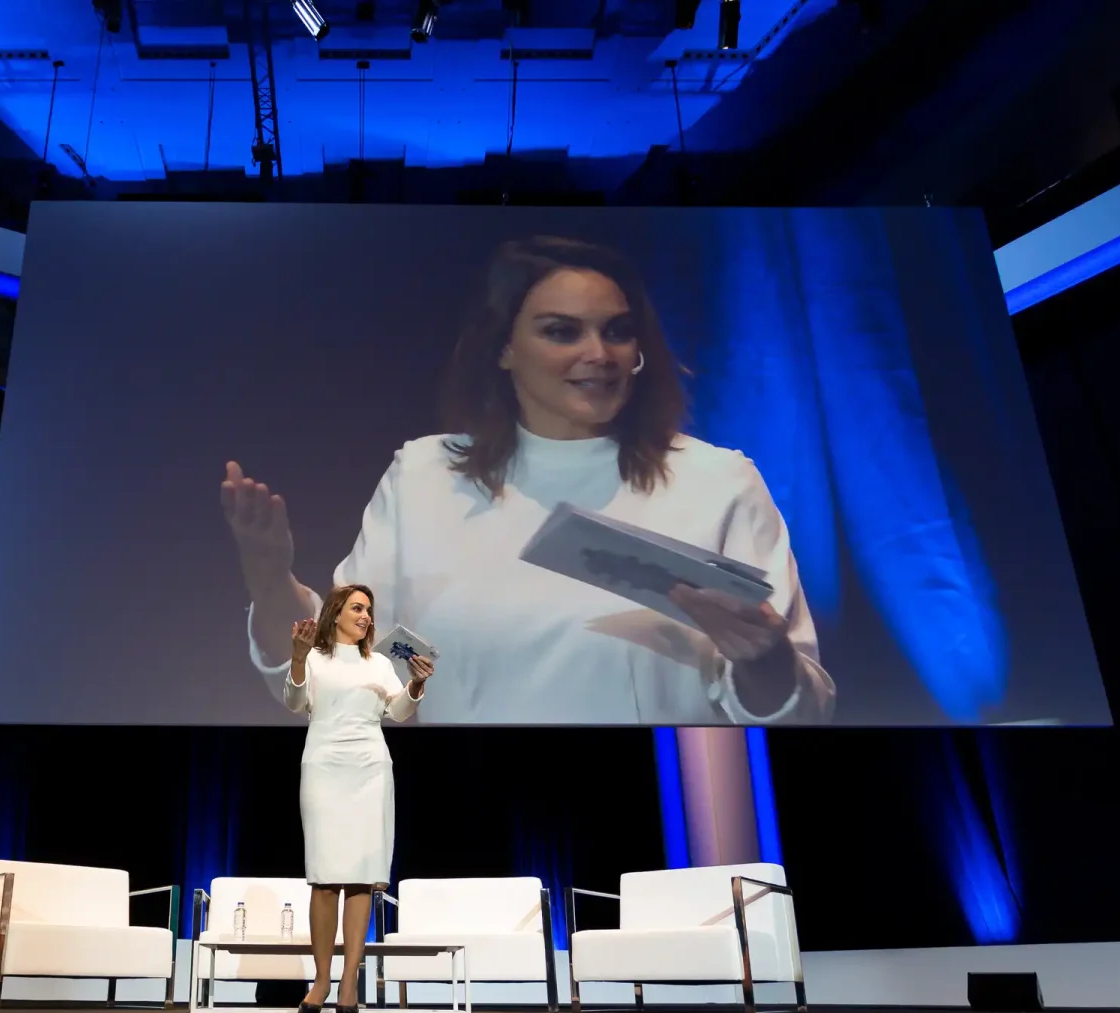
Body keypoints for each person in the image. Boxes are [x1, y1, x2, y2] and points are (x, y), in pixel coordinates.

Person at [220, 235, 835, 725]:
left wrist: (763, 660)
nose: (599, 353)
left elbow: (804, 708)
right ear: (504, 348)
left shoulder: (717, 481)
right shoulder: (425, 476)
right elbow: (357, 677)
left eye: (617, 331)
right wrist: (271, 582)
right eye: (562, 331)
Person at [283, 583, 433, 1013]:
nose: (366, 616)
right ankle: (321, 980)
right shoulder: (313, 657)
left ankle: (349, 982)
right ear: (335, 613)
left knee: (362, 879)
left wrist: (416, 684)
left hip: (370, 770)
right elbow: (294, 702)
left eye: (369, 609)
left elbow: (398, 713)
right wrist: (297, 658)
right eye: (357, 608)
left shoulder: (380, 663)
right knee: (324, 877)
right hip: (324, 767)